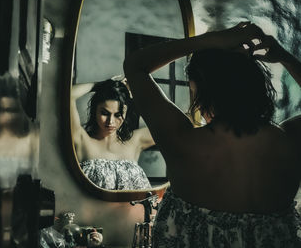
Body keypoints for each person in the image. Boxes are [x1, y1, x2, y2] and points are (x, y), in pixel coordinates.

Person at [124, 22, 301, 247]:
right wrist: (285, 57)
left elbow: (135, 65)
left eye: (195, 92)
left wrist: (210, 40)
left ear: (204, 93)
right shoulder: (289, 141)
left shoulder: (181, 141)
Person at [71, 78, 155, 190]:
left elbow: (174, 125)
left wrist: (138, 91)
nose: (110, 122)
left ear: (126, 113)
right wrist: (99, 85)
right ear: (94, 110)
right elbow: (68, 95)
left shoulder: (136, 140)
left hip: (138, 207)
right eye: (105, 113)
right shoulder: (82, 140)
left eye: (118, 114)